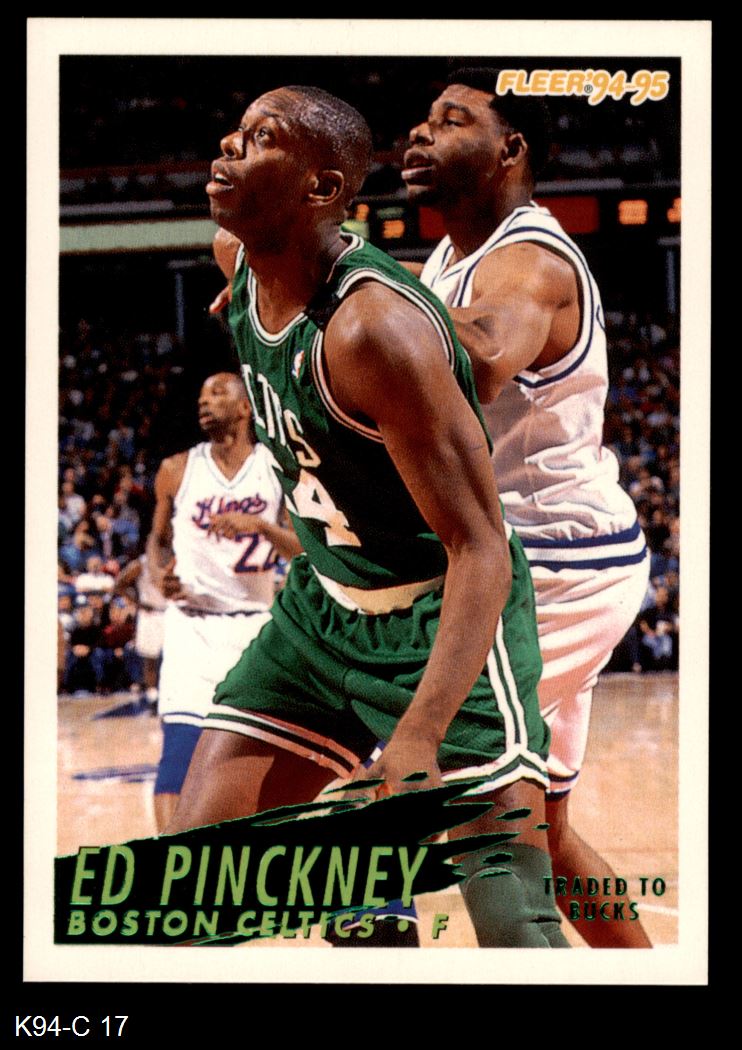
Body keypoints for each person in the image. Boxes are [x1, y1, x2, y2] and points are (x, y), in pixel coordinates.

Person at [169, 84, 569, 950]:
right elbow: (240, 253)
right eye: (236, 130)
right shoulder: (239, 257)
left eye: (261, 139)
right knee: (191, 891)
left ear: (320, 188)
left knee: (516, 924)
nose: (229, 147)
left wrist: (419, 733)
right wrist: (249, 281)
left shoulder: (375, 331)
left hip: (437, 613)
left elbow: (480, 547)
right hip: (320, 611)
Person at [401, 68, 652, 947]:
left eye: (451, 120)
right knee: (546, 829)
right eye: (423, 119)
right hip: (542, 558)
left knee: (426, 782)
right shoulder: (450, 257)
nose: (420, 133)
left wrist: (338, 290)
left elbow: (477, 357)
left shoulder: (531, 259)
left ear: (510, 150)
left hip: (551, 568)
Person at [146, 372, 300, 831]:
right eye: (201, 395)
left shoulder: (276, 469)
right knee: (178, 758)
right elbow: (156, 541)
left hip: (254, 627)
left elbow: (303, 549)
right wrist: (159, 575)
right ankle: (171, 866)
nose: (204, 401)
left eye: (216, 393)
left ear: (245, 408)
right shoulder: (176, 469)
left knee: (258, 761)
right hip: (191, 626)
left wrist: (264, 528)